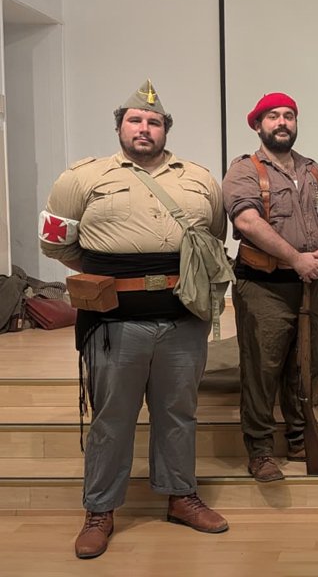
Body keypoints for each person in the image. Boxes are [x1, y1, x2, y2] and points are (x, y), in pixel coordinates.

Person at [39, 80, 229, 559]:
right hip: (113, 323)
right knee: (112, 418)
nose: (144, 128)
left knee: (178, 413)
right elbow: (54, 242)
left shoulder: (200, 179)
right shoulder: (83, 177)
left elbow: (213, 237)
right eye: (135, 120)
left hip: (183, 318)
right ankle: (100, 510)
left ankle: (181, 496)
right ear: (120, 126)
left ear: (166, 128)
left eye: (154, 122)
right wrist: (108, 274)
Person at [223, 92, 318, 483]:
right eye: (273, 116)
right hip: (264, 285)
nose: (282, 122)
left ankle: (299, 440)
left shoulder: (314, 171)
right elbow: (247, 221)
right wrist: (297, 259)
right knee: (262, 368)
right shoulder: (244, 170)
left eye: (289, 116)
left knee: (306, 366)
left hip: (308, 284)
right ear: (258, 125)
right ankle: (260, 450)